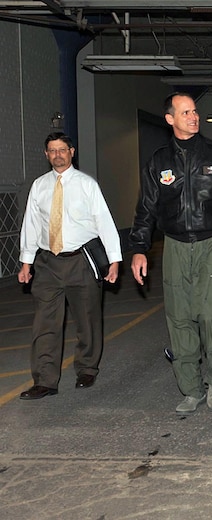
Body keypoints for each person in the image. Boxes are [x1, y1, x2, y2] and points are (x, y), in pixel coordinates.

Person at [129, 92, 212, 415]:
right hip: (174, 244)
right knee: (180, 317)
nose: (193, 117)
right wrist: (140, 249)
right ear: (170, 119)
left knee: (211, 315)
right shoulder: (159, 161)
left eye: (195, 111)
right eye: (185, 112)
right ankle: (191, 388)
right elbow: (146, 207)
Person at [17, 132, 122, 400]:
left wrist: (114, 260)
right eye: (52, 151)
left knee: (87, 320)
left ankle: (87, 368)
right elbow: (31, 225)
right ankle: (45, 380)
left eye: (62, 150)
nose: (57, 155)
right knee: (45, 324)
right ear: (46, 154)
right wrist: (26, 262)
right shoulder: (39, 186)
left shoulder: (87, 185)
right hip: (47, 263)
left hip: (81, 261)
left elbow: (104, 222)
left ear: (72, 152)